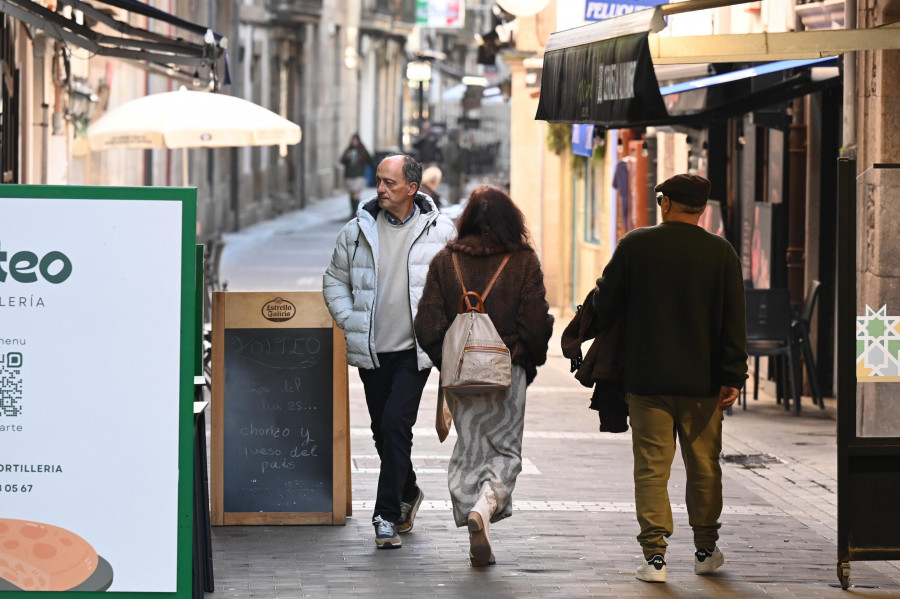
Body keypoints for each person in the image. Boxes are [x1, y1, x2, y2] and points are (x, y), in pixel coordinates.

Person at [590, 174, 747, 583]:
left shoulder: (636, 245)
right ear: (703, 209)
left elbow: (604, 304)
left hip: (647, 380)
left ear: (664, 203)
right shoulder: (721, 253)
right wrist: (733, 376)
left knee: (651, 469)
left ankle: (655, 559)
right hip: (704, 384)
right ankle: (705, 550)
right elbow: (734, 323)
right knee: (705, 467)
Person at [414, 186, 553, 567]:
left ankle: (474, 511)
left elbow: (426, 323)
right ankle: (485, 508)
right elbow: (536, 322)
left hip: (461, 375)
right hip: (507, 369)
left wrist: (450, 359)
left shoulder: (446, 261)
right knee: (505, 450)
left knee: (470, 447)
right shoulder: (523, 261)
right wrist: (527, 359)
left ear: (468, 219)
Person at [323, 153, 456, 549]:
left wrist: (441, 331)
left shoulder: (441, 231)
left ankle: (385, 515)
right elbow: (334, 279)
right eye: (379, 181)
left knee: (397, 424)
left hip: (415, 352)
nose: (380, 189)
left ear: (412, 189)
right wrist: (350, 320)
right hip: (371, 350)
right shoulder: (357, 230)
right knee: (384, 432)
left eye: (389, 183)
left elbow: (456, 284)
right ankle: (409, 490)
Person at [339, 133, 374, 218]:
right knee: (352, 194)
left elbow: (370, 160)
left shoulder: (362, 150)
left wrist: (376, 170)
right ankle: (353, 211)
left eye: (355, 140)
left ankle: (356, 212)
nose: (354, 142)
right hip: (349, 175)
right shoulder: (348, 150)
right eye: (352, 140)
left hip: (359, 175)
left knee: (355, 193)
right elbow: (342, 160)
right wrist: (347, 158)